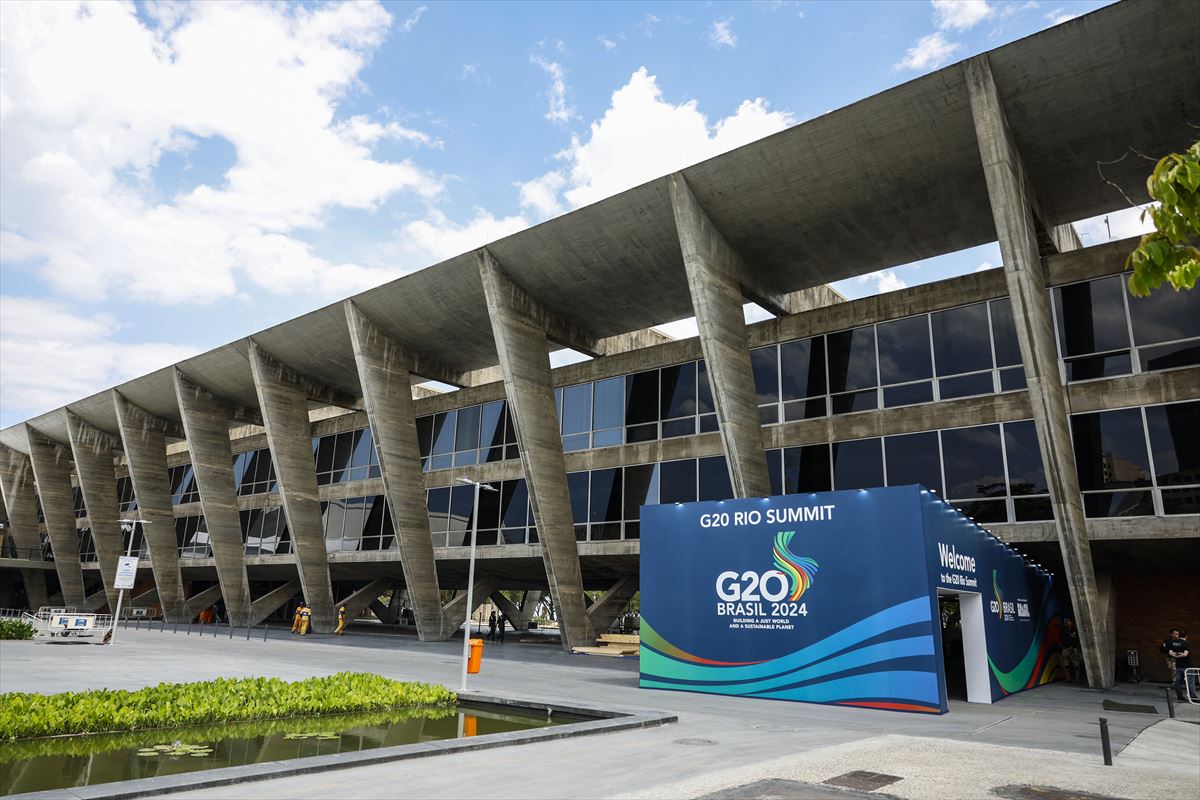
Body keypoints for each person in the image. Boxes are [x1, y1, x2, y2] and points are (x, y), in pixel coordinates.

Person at [1164, 629, 1194, 701]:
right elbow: (1185, 654)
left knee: (1177, 682)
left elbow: (1170, 652)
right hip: (1188, 666)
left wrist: (1176, 656)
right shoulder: (1186, 643)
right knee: (1190, 682)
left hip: (1178, 665)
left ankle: (1180, 697)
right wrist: (1181, 655)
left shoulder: (1173, 643)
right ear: (1186, 636)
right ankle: (1193, 697)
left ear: (1179, 635)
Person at [1061, 618, 1083, 684]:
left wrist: (1076, 647)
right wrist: (1065, 647)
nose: (1068, 623)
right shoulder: (1064, 632)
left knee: (1076, 665)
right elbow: (1062, 640)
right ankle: (1068, 679)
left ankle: (1077, 679)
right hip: (1066, 649)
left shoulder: (1075, 631)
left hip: (1074, 649)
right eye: (1067, 622)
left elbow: (1078, 640)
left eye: (1069, 622)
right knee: (1066, 665)